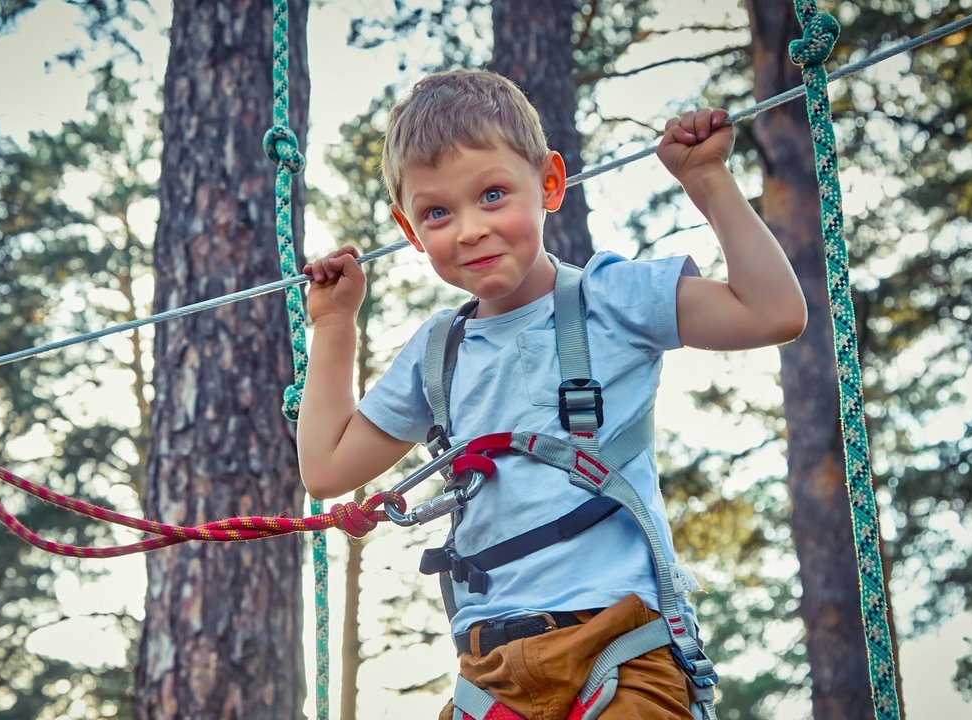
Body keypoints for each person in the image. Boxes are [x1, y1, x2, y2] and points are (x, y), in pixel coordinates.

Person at [297, 69, 807, 720]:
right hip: (491, 671)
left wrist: (707, 179)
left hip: (620, 645)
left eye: (492, 194)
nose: (471, 229)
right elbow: (327, 467)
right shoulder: (438, 353)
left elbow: (772, 314)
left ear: (550, 184)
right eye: (437, 213)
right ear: (408, 230)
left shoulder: (613, 299)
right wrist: (335, 325)